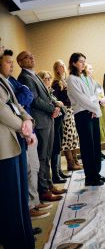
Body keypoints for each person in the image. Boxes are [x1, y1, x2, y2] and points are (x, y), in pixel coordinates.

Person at [0, 52, 44, 249]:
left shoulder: (4, 81)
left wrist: (28, 120)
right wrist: (23, 127)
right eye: (7, 61)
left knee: (20, 198)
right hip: (4, 149)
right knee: (11, 203)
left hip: (16, 142)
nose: (10, 65)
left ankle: (27, 246)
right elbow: (2, 110)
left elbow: (17, 105)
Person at [17, 51, 66, 202]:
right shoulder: (24, 77)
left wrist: (56, 104)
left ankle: (49, 185)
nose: (31, 58)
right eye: (27, 57)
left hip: (48, 119)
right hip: (40, 121)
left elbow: (46, 95)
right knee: (42, 156)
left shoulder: (34, 75)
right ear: (20, 62)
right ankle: (43, 190)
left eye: (32, 56)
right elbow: (35, 100)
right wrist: (52, 109)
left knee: (48, 155)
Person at [66, 52, 105, 186]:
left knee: (95, 145)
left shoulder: (85, 77)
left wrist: (95, 109)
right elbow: (81, 98)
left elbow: (94, 94)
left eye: (84, 61)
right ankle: (90, 177)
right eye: (80, 61)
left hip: (93, 113)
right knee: (88, 146)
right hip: (82, 114)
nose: (83, 64)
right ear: (73, 63)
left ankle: (96, 173)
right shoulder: (71, 79)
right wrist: (95, 108)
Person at [51, 61, 82, 179]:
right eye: (60, 66)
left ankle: (75, 161)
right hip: (65, 111)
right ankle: (70, 163)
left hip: (71, 110)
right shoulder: (56, 83)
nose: (63, 67)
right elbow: (57, 99)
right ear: (56, 69)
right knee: (67, 137)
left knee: (73, 136)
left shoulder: (66, 80)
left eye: (64, 65)